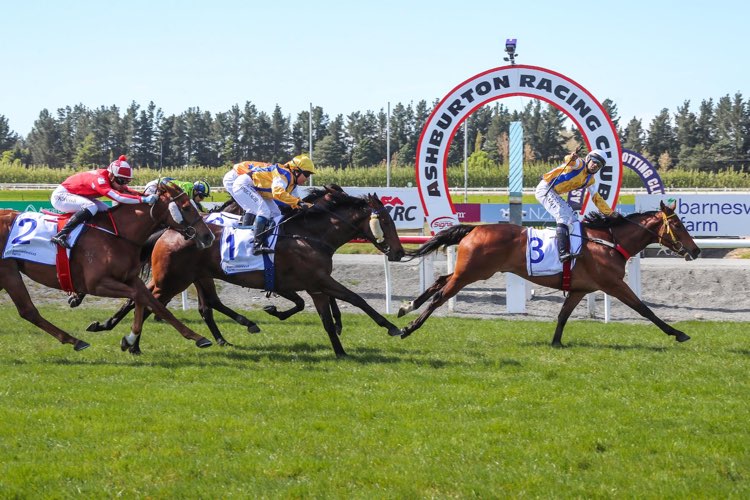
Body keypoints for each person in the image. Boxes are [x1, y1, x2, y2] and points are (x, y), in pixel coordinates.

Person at [50, 155, 157, 249]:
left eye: (127, 181)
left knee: (108, 211)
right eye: (121, 181)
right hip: (61, 196)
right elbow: (118, 197)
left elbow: (127, 191)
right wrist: (143, 199)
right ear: (111, 176)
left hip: (79, 195)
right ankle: (61, 234)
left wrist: (145, 195)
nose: (123, 184)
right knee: (91, 207)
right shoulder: (100, 180)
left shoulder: (112, 179)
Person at [535, 148, 613, 262]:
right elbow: (569, 160)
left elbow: (597, 199)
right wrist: (572, 157)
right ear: (588, 159)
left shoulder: (590, 181)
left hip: (554, 193)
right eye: (594, 161)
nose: (595, 165)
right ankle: (562, 252)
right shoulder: (579, 164)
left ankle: (572, 247)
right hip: (545, 188)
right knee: (563, 217)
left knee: (574, 220)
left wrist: (610, 213)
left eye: (599, 165)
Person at [232, 154, 316, 255]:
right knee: (264, 211)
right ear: (296, 171)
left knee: (276, 214)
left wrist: (306, 206)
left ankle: (268, 241)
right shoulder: (283, 175)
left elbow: (293, 200)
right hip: (243, 185)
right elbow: (278, 192)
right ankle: (256, 245)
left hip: (257, 190)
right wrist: (298, 203)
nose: (307, 178)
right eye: (306, 174)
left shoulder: (292, 182)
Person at [144, 178, 211, 211]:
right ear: (196, 192)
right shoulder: (186, 190)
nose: (202, 199)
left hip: (164, 185)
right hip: (154, 186)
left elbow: (198, 206)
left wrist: (209, 211)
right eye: (201, 196)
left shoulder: (192, 191)